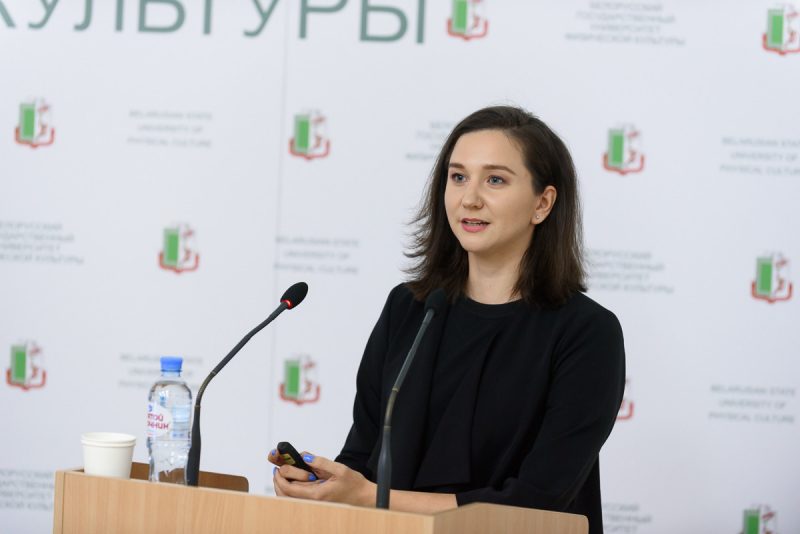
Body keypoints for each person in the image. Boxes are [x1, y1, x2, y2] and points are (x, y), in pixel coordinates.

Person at [269, 105, 625, 533]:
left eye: (495, 180)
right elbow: (363, 457)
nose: (469, 198)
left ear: (542, 203)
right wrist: (323, 484)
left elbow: (538, 501)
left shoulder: (587, 333)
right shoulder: (409, 308)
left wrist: (368, 496)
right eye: (458, 177)